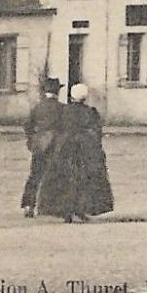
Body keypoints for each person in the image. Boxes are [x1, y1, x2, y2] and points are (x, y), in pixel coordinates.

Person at [36, 84, 114, 223]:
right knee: (83, 180)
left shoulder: (64, 111)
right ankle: (81, 209)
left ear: (72, 96)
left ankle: (66, 211)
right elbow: (96, 131)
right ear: (84, 98)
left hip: (64, 149)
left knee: (64, 179)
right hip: (84, 150)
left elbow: (57, 128)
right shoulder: (90, 112)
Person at [22, 77, 64, 215]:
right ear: (57, 92)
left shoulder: (37, 107)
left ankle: (29, 205)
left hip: (40, 145)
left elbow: (28, 125)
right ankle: (54, 207)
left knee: (35, 175)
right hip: (56, 145)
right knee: (57, 175)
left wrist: (32, 139)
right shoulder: (61, 108)